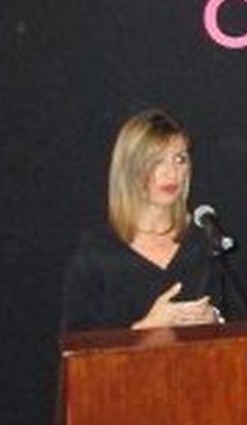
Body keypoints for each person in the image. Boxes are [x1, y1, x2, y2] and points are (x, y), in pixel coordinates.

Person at [61, 108, 219, 332]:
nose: (172, 173)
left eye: (180, 159)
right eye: (156, 161)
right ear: (129, 169)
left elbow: (235, 324)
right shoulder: (96, 251)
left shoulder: (203, 238)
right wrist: (144, 329)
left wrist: (214, 320)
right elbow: (79, 355)